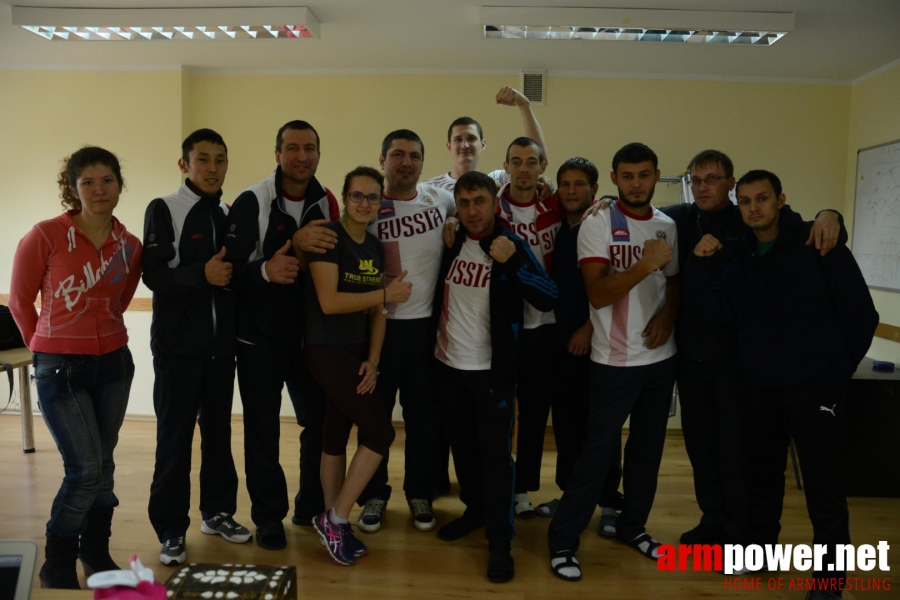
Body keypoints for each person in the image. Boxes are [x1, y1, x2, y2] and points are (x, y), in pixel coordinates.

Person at [687, 170, 877, 600]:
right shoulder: (740, 258)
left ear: (780, 200)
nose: (755, 208)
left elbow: (861, 315)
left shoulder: (818, 242)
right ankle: (760, 555)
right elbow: (716, 316)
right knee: (762, 480)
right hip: (760, 389)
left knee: (823, 486)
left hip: (816, 390)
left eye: (763, 199)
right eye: (747, 201)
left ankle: (830, 583)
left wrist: (833, 373)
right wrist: (699, 266)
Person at [660, 150, 844, 547]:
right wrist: (604, 205)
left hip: (746, 368)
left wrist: (832, 214)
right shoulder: (681, 218)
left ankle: (743, 534)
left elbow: (854, 310)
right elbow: (637, 207)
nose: (703, 186)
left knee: (745, 458)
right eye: (697, 180)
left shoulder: (749, 233)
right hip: (696, 361)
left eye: (713, 178)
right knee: (706, 451)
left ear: (731, 182)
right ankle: (716, 523)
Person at [10, 146, 142, 588]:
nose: (99, 189)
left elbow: (120, 304)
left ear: (120, 184)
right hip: (59, 367)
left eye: (107, 180)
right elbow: (20, 298)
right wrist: (42, 346)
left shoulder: (130, 245)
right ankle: (58, 560)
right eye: (88, 182)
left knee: (103, 464)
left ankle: (97, 553)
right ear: (72, 189)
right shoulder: (45, 235)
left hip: (114, 365)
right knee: (85, 470)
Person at [547, 143, 679, 582]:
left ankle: (632, 526)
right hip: (613, 362)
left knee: (647, 452)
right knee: (597, 453)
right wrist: (644, 267)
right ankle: (563, 539)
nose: (636, 182)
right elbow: (598, 293)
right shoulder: (598, 222)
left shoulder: (667, 225)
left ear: (656, 175)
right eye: (627, 175)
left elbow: (674, 284)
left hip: (661, 361)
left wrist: (667, 314)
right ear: (615, 178)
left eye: (644, 174)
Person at [433, 170, 557, 583]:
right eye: (464, 203)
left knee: (496, 457)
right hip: (448, 366)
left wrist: (515, 261)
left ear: (494, 203)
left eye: (479, 202)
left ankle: (500, 542)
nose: (471, 211)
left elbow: (547, 296)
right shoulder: (450, 241)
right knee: (463, 449)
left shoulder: (510, 243)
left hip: (493, 373)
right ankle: (475, 511)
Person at [223, 120, 339, 550]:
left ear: (318, 155)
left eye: (309, 148)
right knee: (262, 431)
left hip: (311, 341)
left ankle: (308, 506)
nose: (301, 156)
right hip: (258, 342)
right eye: (292, 147)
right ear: (278, 154)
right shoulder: (252, 200)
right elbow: (228, 273)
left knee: (319, 425)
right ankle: (268, 517)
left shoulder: (327, 202)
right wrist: (267, 270)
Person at [143, 129, 250, 566]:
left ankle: (218, 513)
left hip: (221, 352)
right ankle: (170, 530)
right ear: (184, 164)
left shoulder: (229, 212)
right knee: (174, 442)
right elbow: (153, 274)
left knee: (220, 437)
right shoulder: (164, 208)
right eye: (202, 158)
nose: (212, 167)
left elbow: (236, 274)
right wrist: (198, 275)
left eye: (220, 159)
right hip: (176, 353)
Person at [304, 166, 411, 565]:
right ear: (345, 198)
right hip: (325, 348)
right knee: (381, 432)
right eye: (357, 196)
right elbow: (329, 302)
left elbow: (379, 310)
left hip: (357, 350)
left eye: (372, 197)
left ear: (380, 203)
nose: (364, 203)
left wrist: (374, 359)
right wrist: (385, 291)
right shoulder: (329, 238)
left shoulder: (376, 246)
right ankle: (336, 518)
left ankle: (332, 525)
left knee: (335, 435)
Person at [355, 129, 456, 534]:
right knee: (374, 420)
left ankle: (420, 493)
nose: (406, 162)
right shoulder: (367, 206)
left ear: (422, 163)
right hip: (377, 330)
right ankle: (373, 495)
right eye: (397, 154)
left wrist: (452, 221)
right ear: (383, 161)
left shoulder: (441, 200)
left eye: (414, 155)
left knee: (424, 419)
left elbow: (481, 203)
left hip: (426, 330)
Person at [535, 158, 624, 533]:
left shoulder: (602, 222)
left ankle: (609, 504)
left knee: (599, 428)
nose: (571, 190)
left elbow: (612, 284)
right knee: (568, 425)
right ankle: (571, 495)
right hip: (562, 343)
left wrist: (589, 328)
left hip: (595, 343)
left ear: (594, 188)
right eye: (565, 184)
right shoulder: (564, 228)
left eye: (579, 184)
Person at [494, 136, 563, 518]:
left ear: (541, 167)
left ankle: (522, 492)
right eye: (516, 161)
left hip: (548, 327)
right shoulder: (493, 209)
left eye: (531, 162)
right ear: (505, 166)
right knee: (501, 413)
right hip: (505, 326)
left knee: (535, 415)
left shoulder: (554, 205)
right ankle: (498, 483)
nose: (523, 168)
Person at [425, 86, 550, 193]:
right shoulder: (430, 188)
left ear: (483, 144)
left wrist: (524, 105)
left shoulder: (496, 181)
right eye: (458, 139)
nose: (465, 145)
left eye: (471, 138)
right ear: (449, 146)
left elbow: (538, 159)